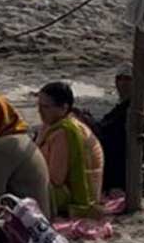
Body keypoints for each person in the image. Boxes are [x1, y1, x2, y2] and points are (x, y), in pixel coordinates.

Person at [35, 82, 104, 217]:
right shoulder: (52, 124)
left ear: (63, 108)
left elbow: (56, 178)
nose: (40, 111)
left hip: (74, 193)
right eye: (39, 106)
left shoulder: (65, 132)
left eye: (46, 107)